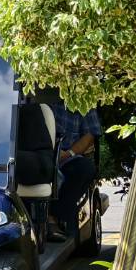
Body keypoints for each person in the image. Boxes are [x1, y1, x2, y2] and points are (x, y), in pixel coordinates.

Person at [51, 101, 101, 242]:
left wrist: (68, 154)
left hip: (66, 156)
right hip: (34, 154)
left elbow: (91, 133)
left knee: (85, 169)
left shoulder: (80, 94)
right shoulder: (26, 88)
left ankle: (58, 217)